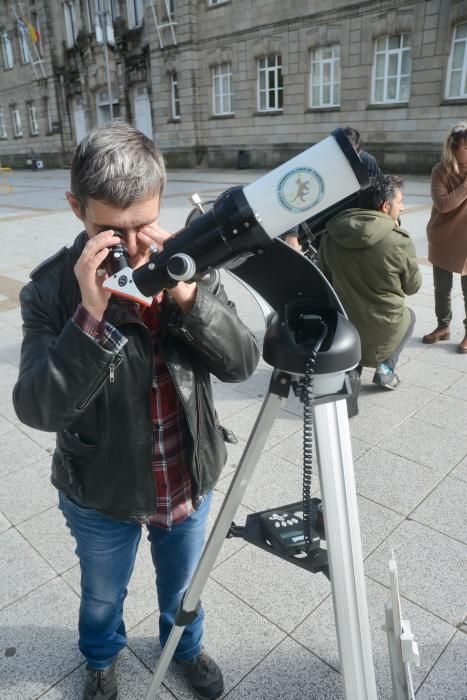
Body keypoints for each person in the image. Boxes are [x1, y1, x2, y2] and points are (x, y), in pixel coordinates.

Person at [12, 123, 260, 700]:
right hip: (101, 488)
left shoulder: (186, 266)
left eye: (142, 226)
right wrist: (89, 321)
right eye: (109, 230)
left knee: (184, 589)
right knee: (102, 594)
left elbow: (242, 363)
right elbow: (37, 406)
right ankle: (101, 658)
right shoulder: (50, 291)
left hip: (185, 475)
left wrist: (190, 297)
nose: (131, 246)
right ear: (77, 208)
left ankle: (186, 649)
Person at [319, 175, 421, 390]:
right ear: (385, 206)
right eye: (400, 201)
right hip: (385, 326)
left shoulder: (331, 236)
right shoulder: (399, 241)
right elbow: (413, 287)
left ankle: (352, 367)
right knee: (410, 316)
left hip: (345, 326)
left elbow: (325, 279)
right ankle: (385, 369)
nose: (402, 208)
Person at [422, 122, 467, 353]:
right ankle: (443, 325)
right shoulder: (440, 171)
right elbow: (443, 204)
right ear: (454, 148)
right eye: (466, 148)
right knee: (442, 288)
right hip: (443, 236)